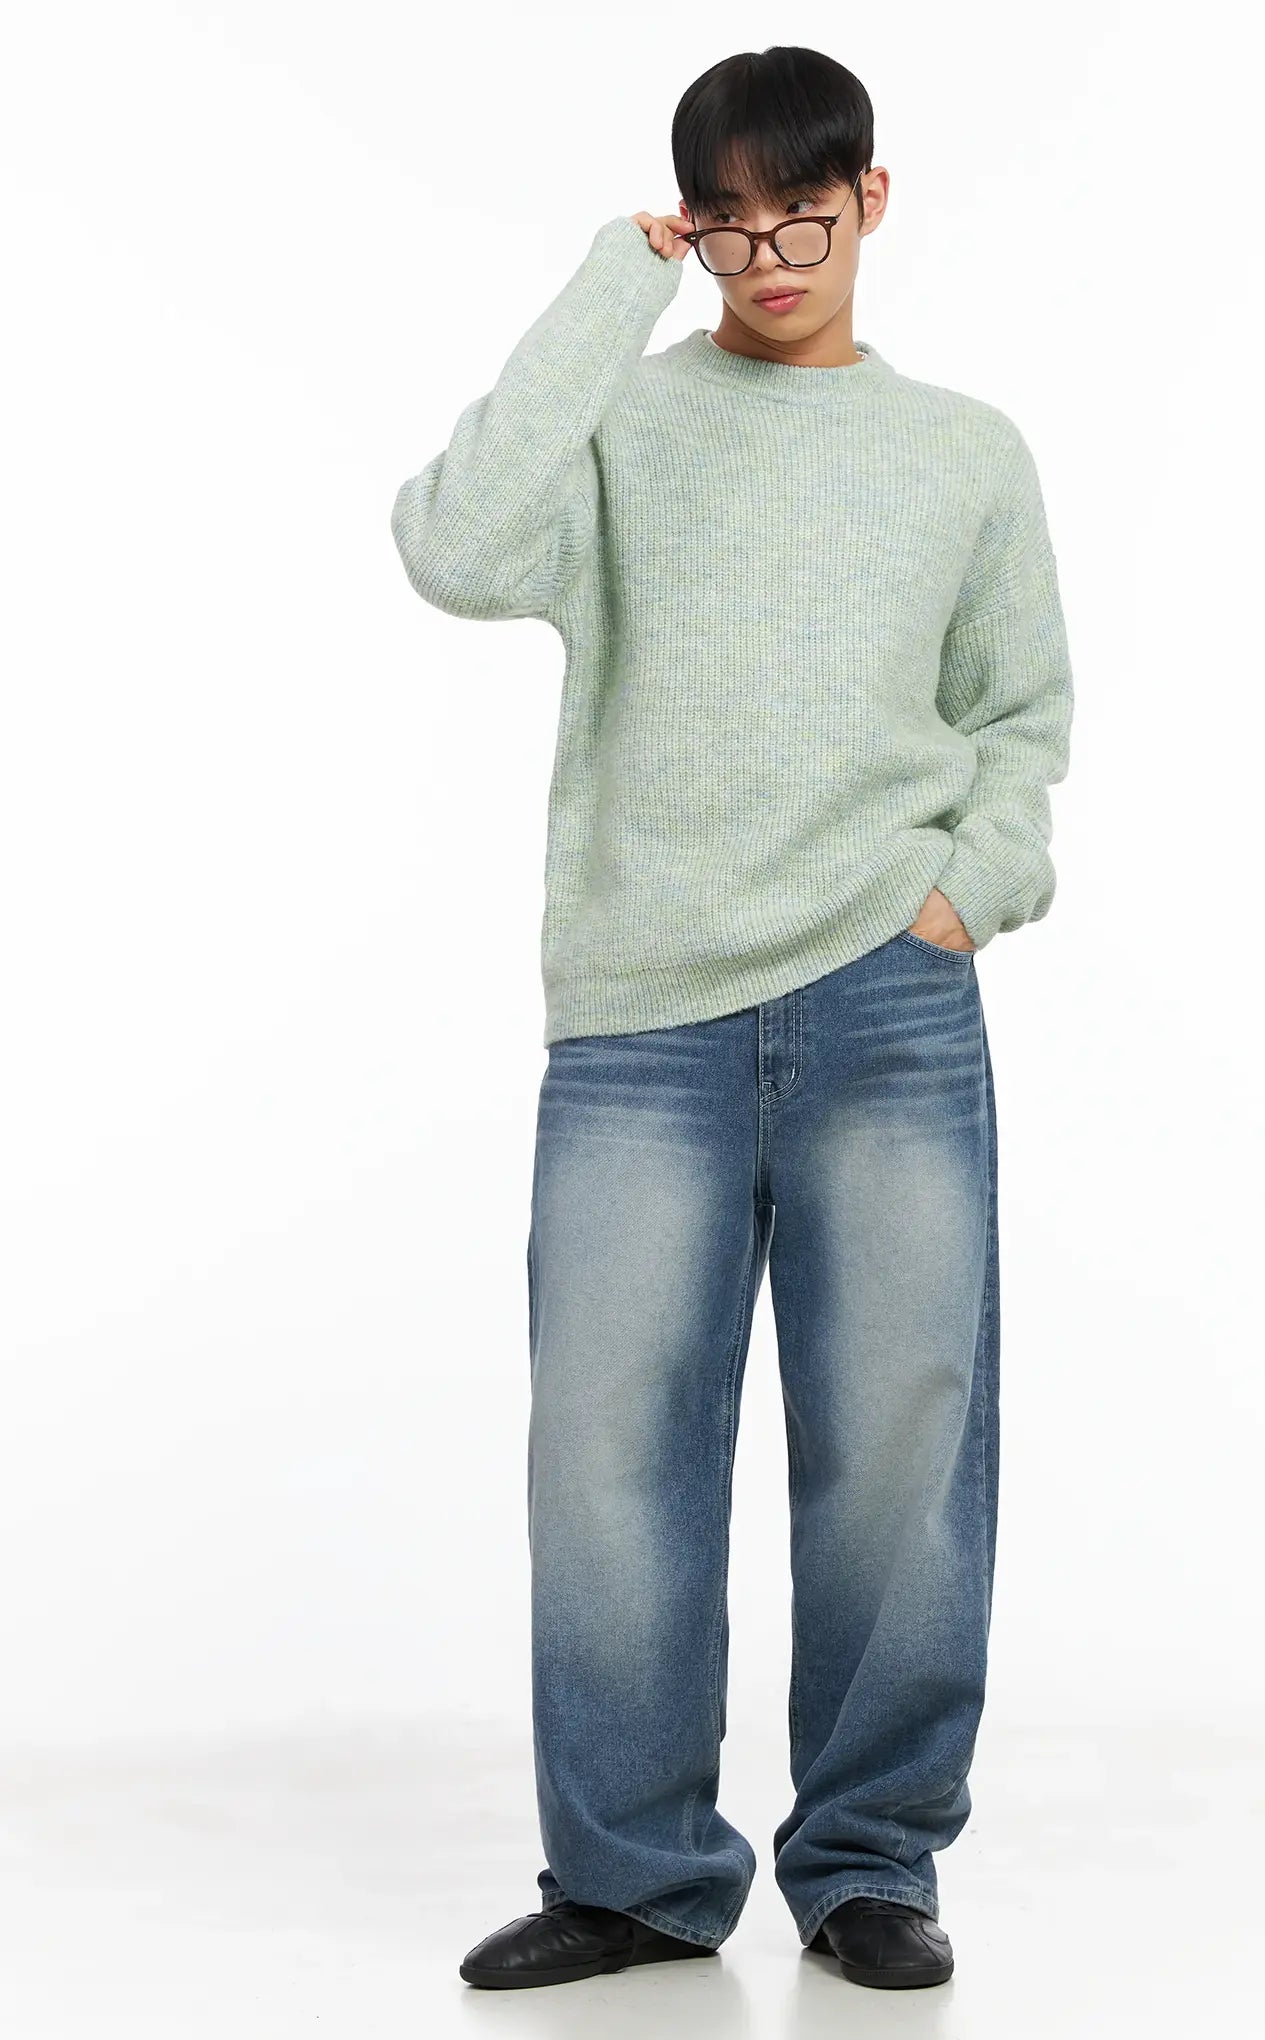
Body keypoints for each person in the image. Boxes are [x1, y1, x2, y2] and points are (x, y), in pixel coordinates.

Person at [390, 42, 1073, 1993]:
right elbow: (450, 543)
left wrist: (968, 891)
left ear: (873, 201)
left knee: (903, 1446)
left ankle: (869, 1862)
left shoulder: (965, 454)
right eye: (730, 224)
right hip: (644, 1022)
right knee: (609, 1455)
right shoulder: (622, 424)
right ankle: (632, 1874)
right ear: (692, 225)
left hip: (888, 996)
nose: (771, 257)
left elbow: (1022, 715)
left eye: (804, 215)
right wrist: (614, 284)